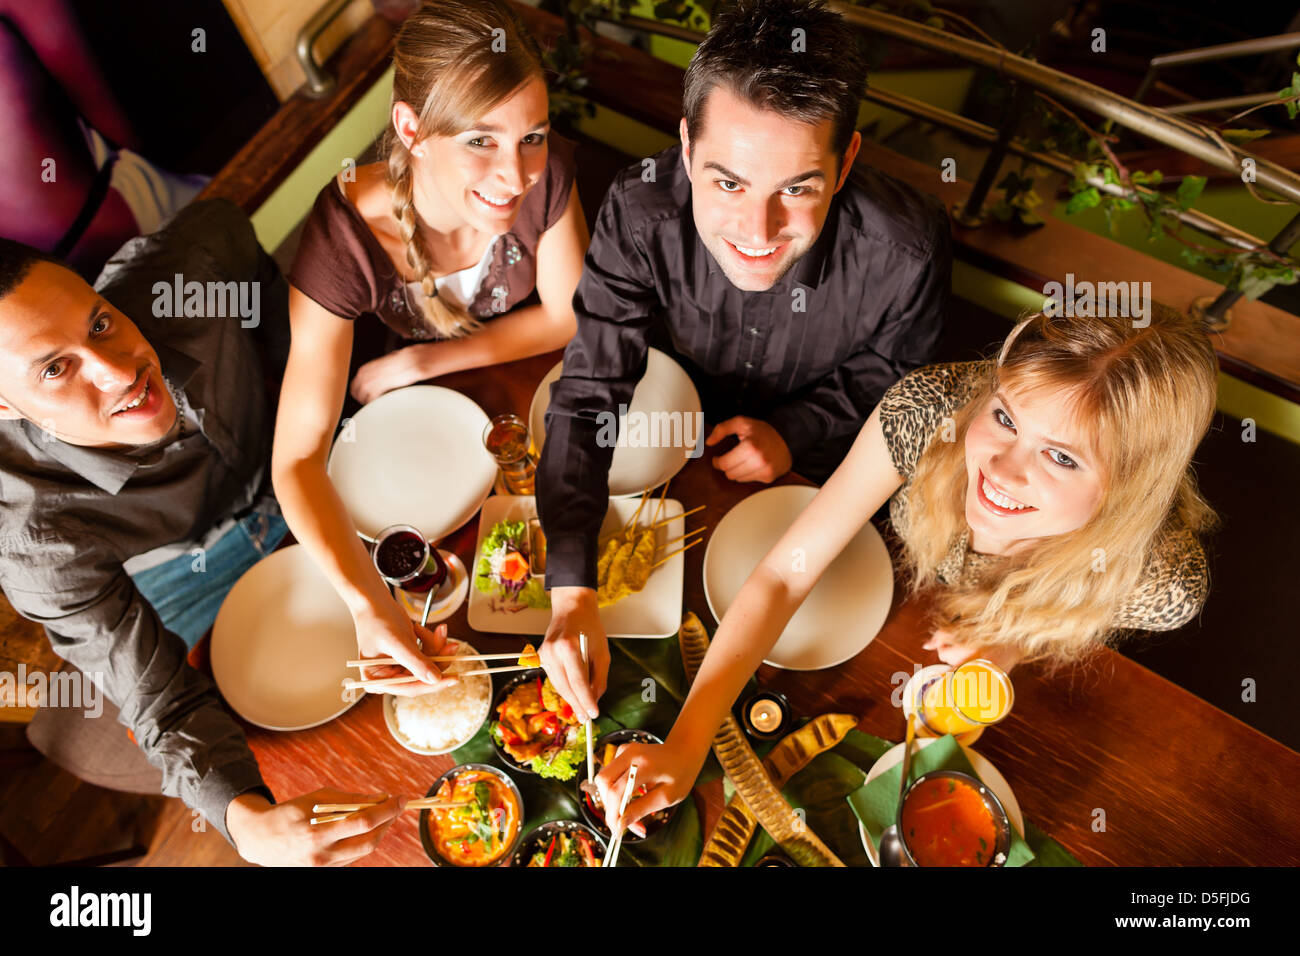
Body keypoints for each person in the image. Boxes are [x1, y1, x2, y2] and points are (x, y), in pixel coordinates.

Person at [595, 305, 1219, 832]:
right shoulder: (931, 409)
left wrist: (1010, 647)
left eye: (1060, 457)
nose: (1000, 471)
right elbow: (787, 573)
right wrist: (685, 741)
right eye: (1004, 418)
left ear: (1129, 490)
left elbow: (1072, 616)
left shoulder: (1159, 583)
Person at [536, 0, 951, 723]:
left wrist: (796, 429)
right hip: (668, 458)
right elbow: (590, 387)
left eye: (797, 188)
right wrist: (571, 586)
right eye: (727, 183)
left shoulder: (908, 250)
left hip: (815, 488)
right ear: (688, 148)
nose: (756, 233)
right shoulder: (637, 211)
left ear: (845, 160)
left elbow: (896, 382)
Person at [0, 208, 404, 866]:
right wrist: (245, 822)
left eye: (99, 322)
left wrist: (311, 394)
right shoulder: (30, 539)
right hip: (184, 566)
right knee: (255, 737)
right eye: (55, 370)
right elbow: (157, 699)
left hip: (297, 465)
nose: (117, 371)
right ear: (4, 407)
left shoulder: (188, 267)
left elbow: (232, 237)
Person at [273, 0, 588, 694]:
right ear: (411, 129)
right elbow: (296, 457)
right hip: (419, 457)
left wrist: (425, 359)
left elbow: (569, 317)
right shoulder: (340, 242)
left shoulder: (546, 176)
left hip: (511, 399)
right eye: (481, 141)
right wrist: (365, 603)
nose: (515, 176)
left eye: (531, 135)